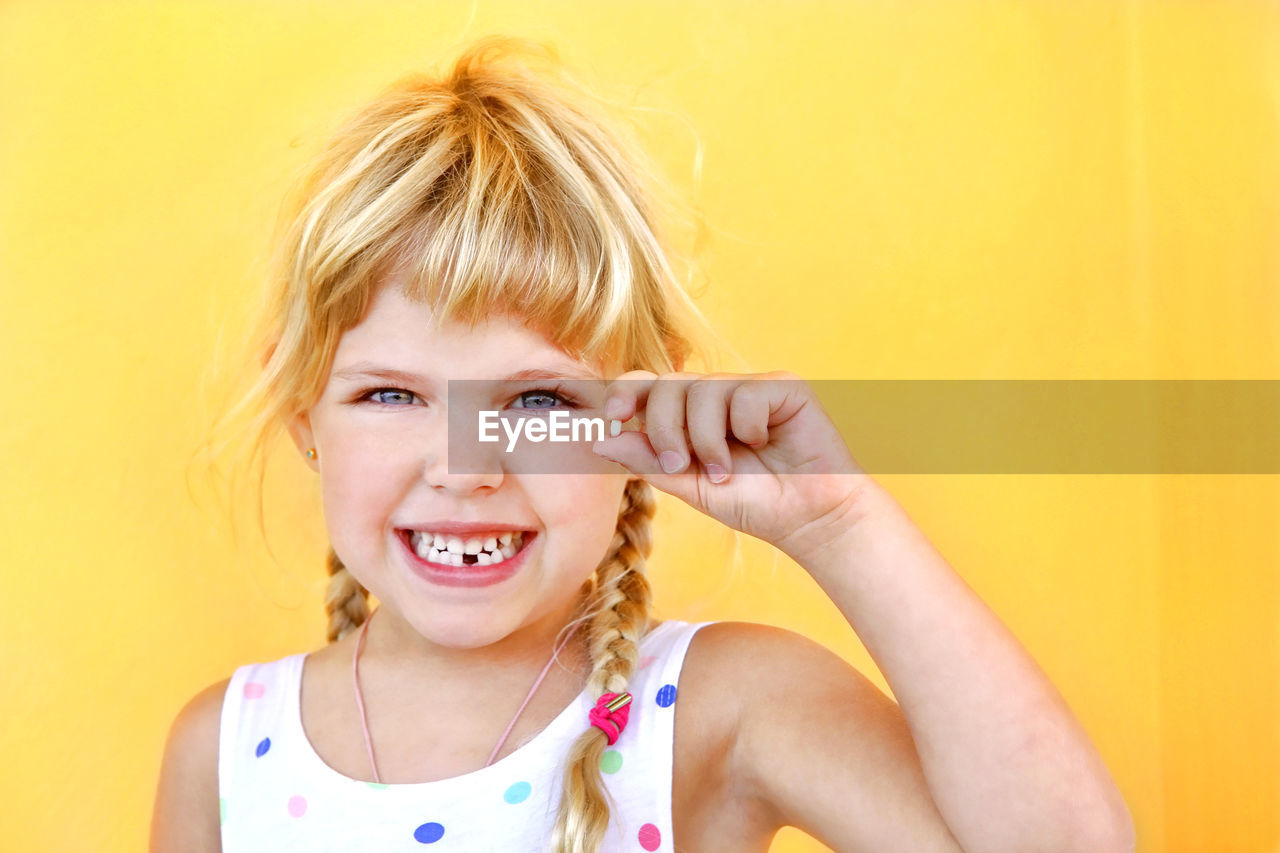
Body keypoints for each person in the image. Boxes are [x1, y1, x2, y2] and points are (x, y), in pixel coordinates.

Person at [150, 35, 1135, 853]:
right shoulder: (223, 752)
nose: (463, 465)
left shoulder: (720, 707)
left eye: (535, 401)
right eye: (392, 395)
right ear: (302, 409)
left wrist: (840, 523)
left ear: (639, 409)